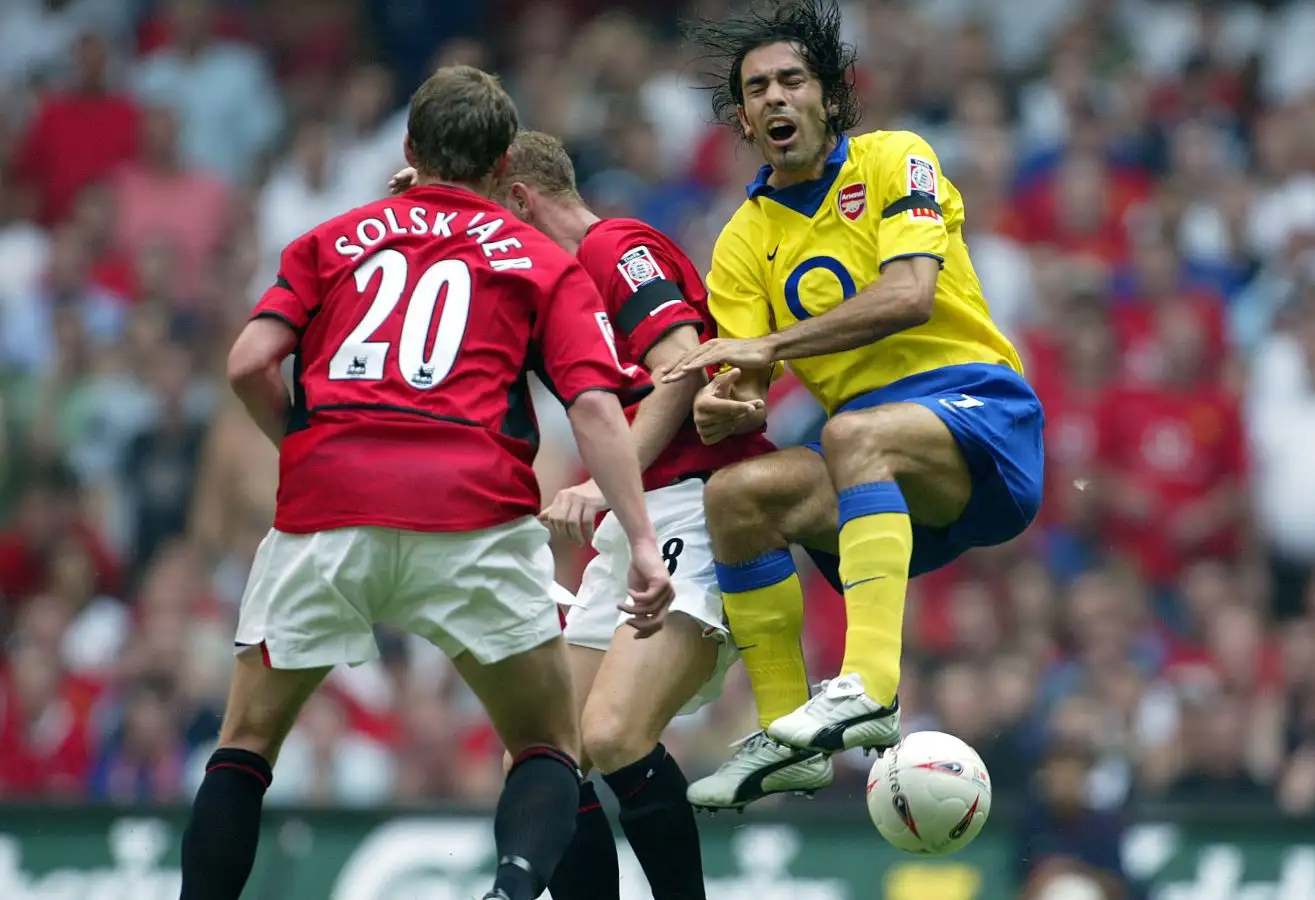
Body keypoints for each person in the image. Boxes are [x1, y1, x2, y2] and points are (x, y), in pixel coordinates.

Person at [179, 66, 673, 900]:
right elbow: (592, 405)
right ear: (507, 160)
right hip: (471, 513)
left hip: (326, 510)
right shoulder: (540, 261)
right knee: (549, 744)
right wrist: (643, 545)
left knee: (246, 744)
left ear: (409, 149)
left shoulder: (328, 238)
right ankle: (512, 889)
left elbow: (248, 363)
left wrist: (303, 444)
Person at [669, 0, 1045, 809]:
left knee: (851, 432)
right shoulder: (742, 240)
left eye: (791, 81)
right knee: (736, 497)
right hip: (875, 462)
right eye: (758, 88)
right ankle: (787, 737)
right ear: (742, 118)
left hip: (980, 413)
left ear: (830, 96)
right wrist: (721, 407)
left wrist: (769, 348)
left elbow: (910, 295)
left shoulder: (894, 160)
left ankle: (870, 683)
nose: (775, 98)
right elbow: (743, 390)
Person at [390, 128, 781, 900]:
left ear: (522, 200)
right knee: (542, 755)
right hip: (638, 524)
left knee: (612, 734)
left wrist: (606, 483)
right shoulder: (545, 289)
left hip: (697, 508)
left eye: (487, 217)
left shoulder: (615, 248)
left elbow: (680, 366)